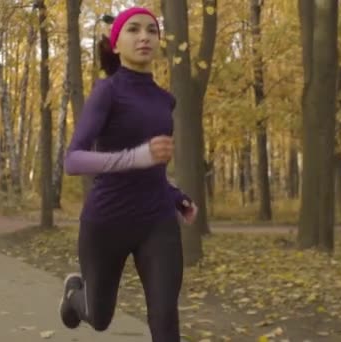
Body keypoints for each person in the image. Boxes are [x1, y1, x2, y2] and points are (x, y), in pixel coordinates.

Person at [59, 7, 198, 342]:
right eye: (133, 30)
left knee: (165, 320)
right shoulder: (107, 92)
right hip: (107, 221)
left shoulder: (166, 100)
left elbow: (154, 166)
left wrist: (174, 195)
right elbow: (73, 161)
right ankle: (76, 297)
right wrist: (137, 157)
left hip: (157, 221)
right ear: (117, 44)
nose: (144, 37)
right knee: (100, 318)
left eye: (152, 31)